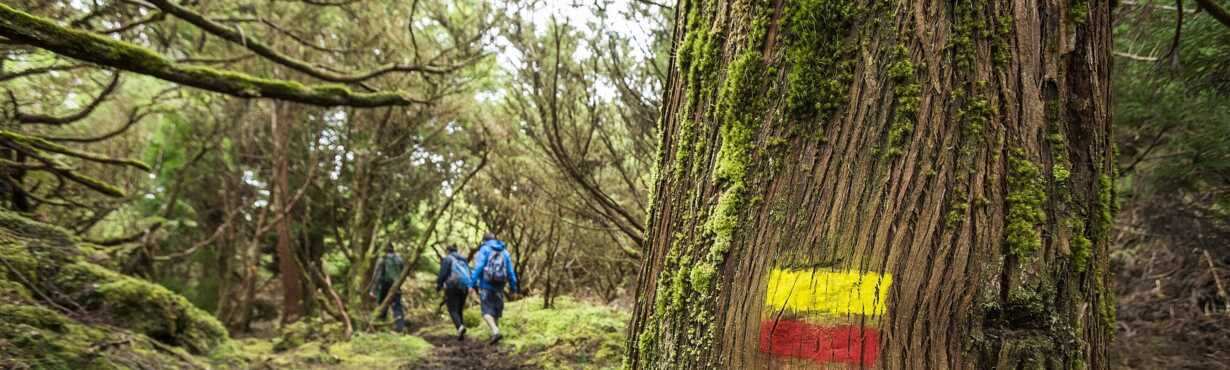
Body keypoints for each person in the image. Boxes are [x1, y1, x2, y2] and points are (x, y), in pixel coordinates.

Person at [469, 233, 517, 344]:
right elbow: (510, 272)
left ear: (484, 240)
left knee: (486, 311)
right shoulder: (504, 252)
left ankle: (495, 331)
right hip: (500, 286)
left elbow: (479, 267)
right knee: (496, 312)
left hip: (486, 285)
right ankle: (496, 335)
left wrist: (471, 284)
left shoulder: (484, 249)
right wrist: (513, 287)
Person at [435, 245, 472, 341]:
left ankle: (460, 327)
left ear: (448, 251)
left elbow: (442, 274)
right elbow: (470, 273)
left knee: (452, 309)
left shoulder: (447, 259)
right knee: (459, 309)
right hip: (464, 286)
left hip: (452, 286)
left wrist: (438, 286)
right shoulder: (463, 260)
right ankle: (461, 331)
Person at [369, 244, 406, 332]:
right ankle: (400, 327)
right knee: (397, 305)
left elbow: (376, 276)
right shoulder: (399, 259)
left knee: (382, 304)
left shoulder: (382, 259)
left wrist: (372, 290)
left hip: (384, 285)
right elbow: (403, 272)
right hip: (396, 284)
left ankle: (381, 325)